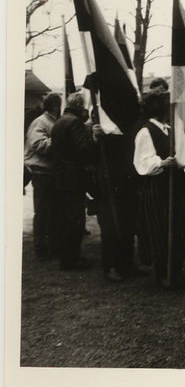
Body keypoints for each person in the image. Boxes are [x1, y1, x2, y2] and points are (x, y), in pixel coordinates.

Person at [133, 91, 185, 288]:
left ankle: (175, 271)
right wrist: (161, 163)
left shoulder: (169, 130)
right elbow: (142, 161)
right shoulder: (146, 132)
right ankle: (163, 274)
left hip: (175, 185)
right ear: (160, 110)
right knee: (160, 229)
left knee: (176, 226)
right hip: (158, 187)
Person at [91, 116, 143, 282]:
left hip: (126, 181)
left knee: (128, 224)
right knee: (110, 226)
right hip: (108, 183)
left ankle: (126, 263)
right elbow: (88, 153)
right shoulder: (100, 124)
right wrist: (94, 137)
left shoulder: (129, 126)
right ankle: (111, 266)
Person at [50, 92, 94, 270]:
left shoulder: (60, 121)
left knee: (66, 218)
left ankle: (68, 256)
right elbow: (82, 149)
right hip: (73, 177)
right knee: (75, 220)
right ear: (80, 105)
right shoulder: (75, 122)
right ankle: (71, 260)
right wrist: (93, 140)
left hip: (62, 176)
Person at [24, 93, 62, 260]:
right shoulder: (41, 122)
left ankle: (51, 246)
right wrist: (59, 138)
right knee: (42, 212)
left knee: (52, 211)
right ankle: (41, 247)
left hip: (49, 172)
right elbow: (38, 145)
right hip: (42, 173)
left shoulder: (49, 122)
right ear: (55, 106)